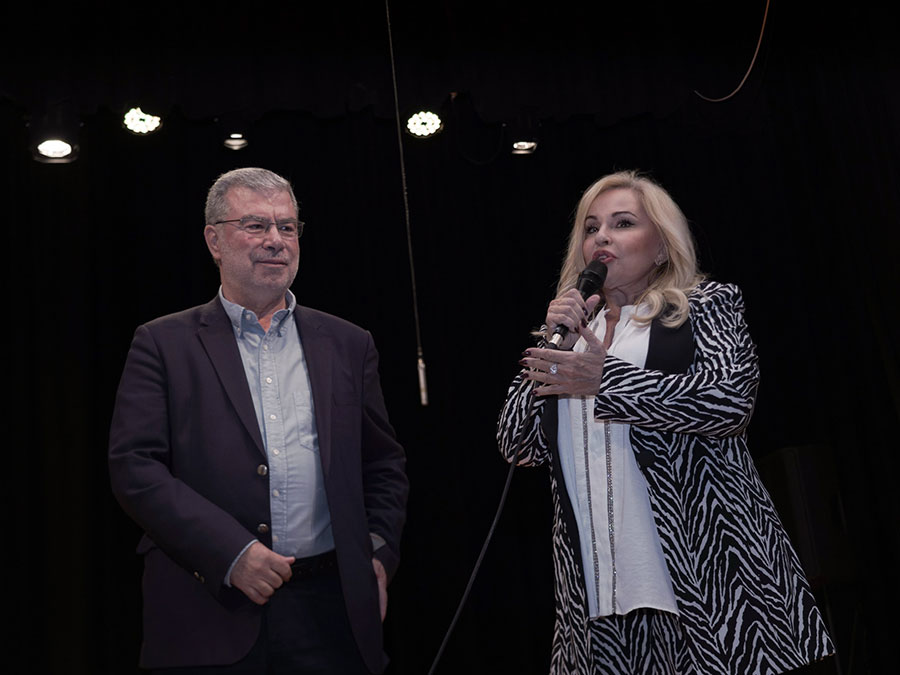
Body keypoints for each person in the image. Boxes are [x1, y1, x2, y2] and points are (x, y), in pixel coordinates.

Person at [498, 170, 833, 674]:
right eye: (591, 228)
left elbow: (729, 401)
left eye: (623, 223)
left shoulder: (704, 307)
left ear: (660, 246)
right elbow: (516, 443)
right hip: (599, 599)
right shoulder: (569, 334)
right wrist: (554, 337)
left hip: (708, 579)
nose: (602, 237)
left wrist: (607, 380)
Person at [109, 167, 408, 674]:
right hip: (209, 609)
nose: (276, 240)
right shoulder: (162, 343)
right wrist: (231, 553)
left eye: (287, 227)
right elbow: (135, 468)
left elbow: (382, 465)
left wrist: (377, 556)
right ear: (214, 241)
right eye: (256, 225)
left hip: (331, 614)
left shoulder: (348, 343)